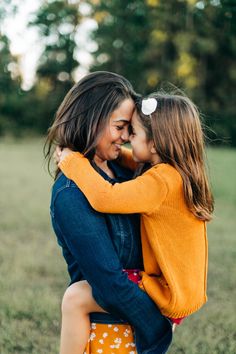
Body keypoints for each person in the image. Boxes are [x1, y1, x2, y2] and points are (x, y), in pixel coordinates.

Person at [57, 91, 214, 352]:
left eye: (134, 133)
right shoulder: (175, 173)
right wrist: (112, 154)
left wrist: (73, 161)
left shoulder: (161, 182)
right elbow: (134, 163)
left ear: (154, 144)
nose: (128, 138)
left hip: (167, 292)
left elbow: (105, 198)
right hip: (184, 291)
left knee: (76, 298)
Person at [45, 71, 173, 354]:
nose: (126, 137)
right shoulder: (71, 193)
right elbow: (110, 285)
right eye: (120, 127)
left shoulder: (121, 170)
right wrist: (159, 325)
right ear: (91, 120)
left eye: (130, 128)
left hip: (137, 326)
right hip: (108, 334)